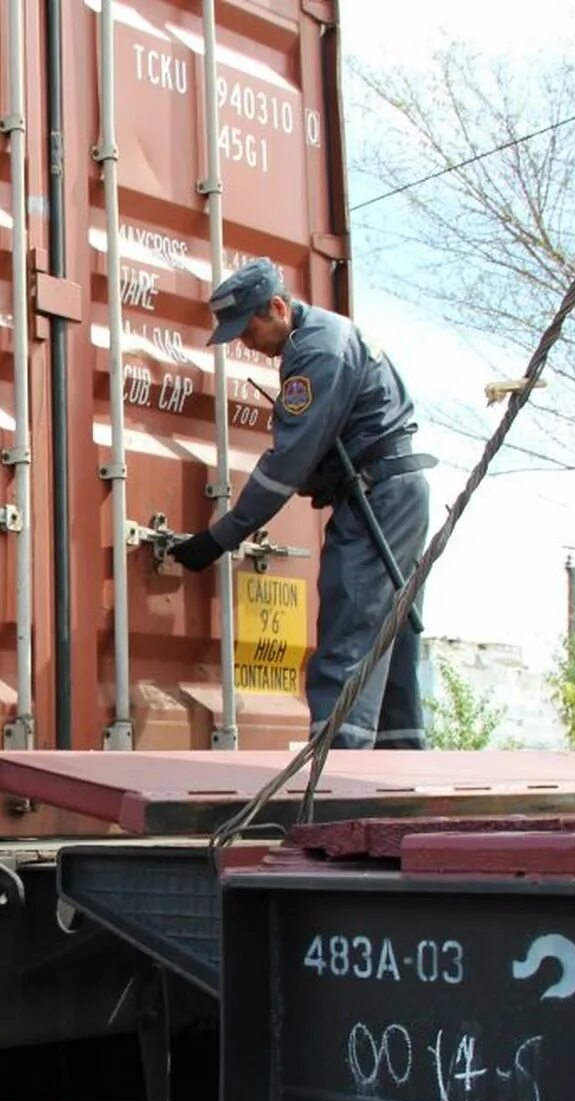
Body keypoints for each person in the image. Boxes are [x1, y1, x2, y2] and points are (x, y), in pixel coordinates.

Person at [167, 258, 432, 749]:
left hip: (377, 498)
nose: (246, 344)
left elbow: (285, 465)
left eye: (247, 330)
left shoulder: (316, 352)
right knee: (390, 641)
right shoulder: (325, 339)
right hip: (394, 491)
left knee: (348, 636)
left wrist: (221, 536)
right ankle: (401, 773)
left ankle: (332, 786)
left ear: (276, 307)